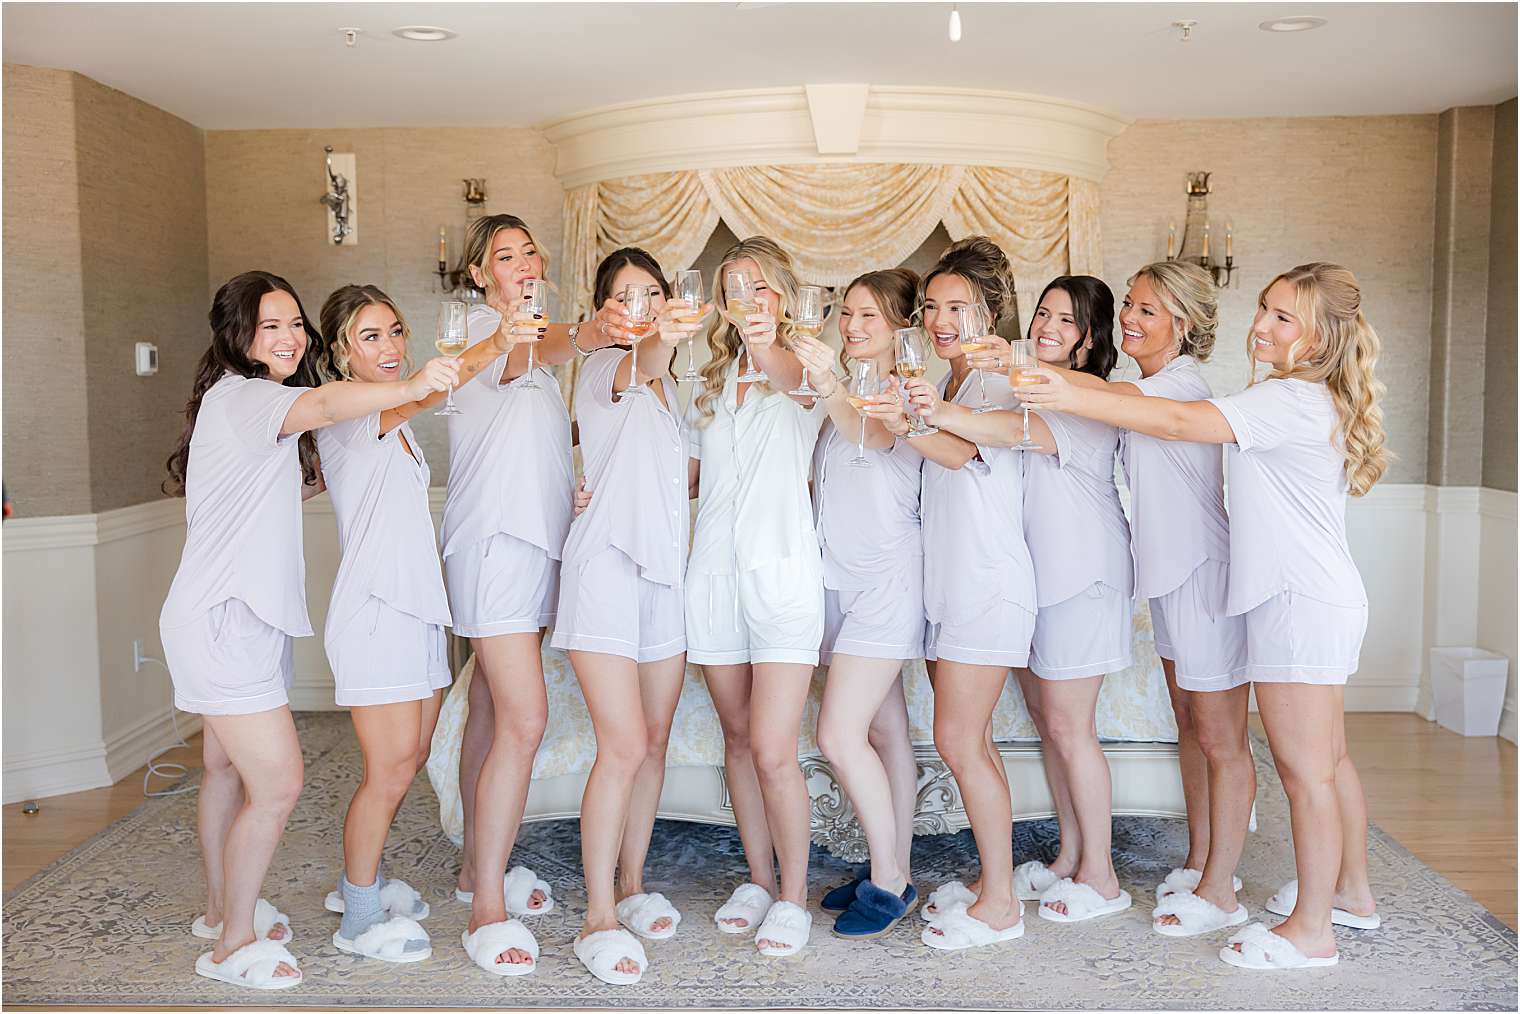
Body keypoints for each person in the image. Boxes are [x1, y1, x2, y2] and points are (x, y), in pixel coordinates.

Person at [1018, 262, 1387, 970]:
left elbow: (1177, 417)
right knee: (1318, 759)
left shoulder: (1281, 400)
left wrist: (1063, 383)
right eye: (1266, 309)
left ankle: (1295, 921)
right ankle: (1347, 895)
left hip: (1288, 598)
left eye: (1285, 317)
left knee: (1299, 765)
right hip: (1286, 593)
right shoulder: (1281, 394)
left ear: (1323, 336)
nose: (1263, 325)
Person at [159, 271, 457, 989]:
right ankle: (231, 944)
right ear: (239, 337)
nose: (290, 337)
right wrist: (415, 381)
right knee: (281, 783)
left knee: (227, 769)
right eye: (272, 327)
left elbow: (292, 473)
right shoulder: (253, 396)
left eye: (296, 324)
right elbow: (325, 401)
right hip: (223, 620)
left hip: (246, 619)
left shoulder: (247, 408)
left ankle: (217, 909)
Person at [907, 274, 1135, 924]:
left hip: (1082, 577)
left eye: (1066, 321)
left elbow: (1005, 432)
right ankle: (1070, 855)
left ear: (1090, 338)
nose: (1047, 328)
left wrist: (933, 412)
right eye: (1043, 314)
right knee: (1051, 725)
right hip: (1041, 579)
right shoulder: (1035, 388)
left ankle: (1103, 873)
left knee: (1070, 726)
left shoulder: (1086, 399)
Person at [550, 248, 708, 984]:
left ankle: (634, 882)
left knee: (652, 742)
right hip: (606, 572)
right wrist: (662, 333)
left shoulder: (672, 389)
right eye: (627, 295)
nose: (640, 304)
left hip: (663, 578)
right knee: (619, 747)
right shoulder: (603, 370)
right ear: (607, 306)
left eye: (654, 293)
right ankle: (598, 913)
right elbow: (640, 360)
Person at [685, 236, 824, 957]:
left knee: (774, 750)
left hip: (783, 579)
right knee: (737, 742)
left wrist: (769, 340)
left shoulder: (807, 365)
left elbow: (797, 381)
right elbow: (681, 474)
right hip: (711, 577)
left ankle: (795, 898)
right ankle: (761, 879)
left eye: (760, 287)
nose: (746, 299)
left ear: (782, 296)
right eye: (734, 287)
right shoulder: (707, 379)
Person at [896, 237, 1033, 950]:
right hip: (947, 584)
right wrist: (913, 414)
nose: (940, 319)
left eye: (957, 307)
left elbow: (982, 444)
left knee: (955, 737)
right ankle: (994, 879)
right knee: (971, 738)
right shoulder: (949, 384)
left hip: (988, 583)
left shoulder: (1006, 377)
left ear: (990, 310)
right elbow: (946, 454)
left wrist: (914, 417)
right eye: (931, 307)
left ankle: (1002, 904)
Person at [791, 269, 925, 941]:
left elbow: (871, 437)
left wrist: (826, 382)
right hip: (838, 581)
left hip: (887, 583)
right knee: (885, 730)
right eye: (846, 313)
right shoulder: (842, 395)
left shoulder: (903, 393)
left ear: (902, 328)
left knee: (837, 734)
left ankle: (890, 882)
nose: (851, 325)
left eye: (868, 315)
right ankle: (894, 862)